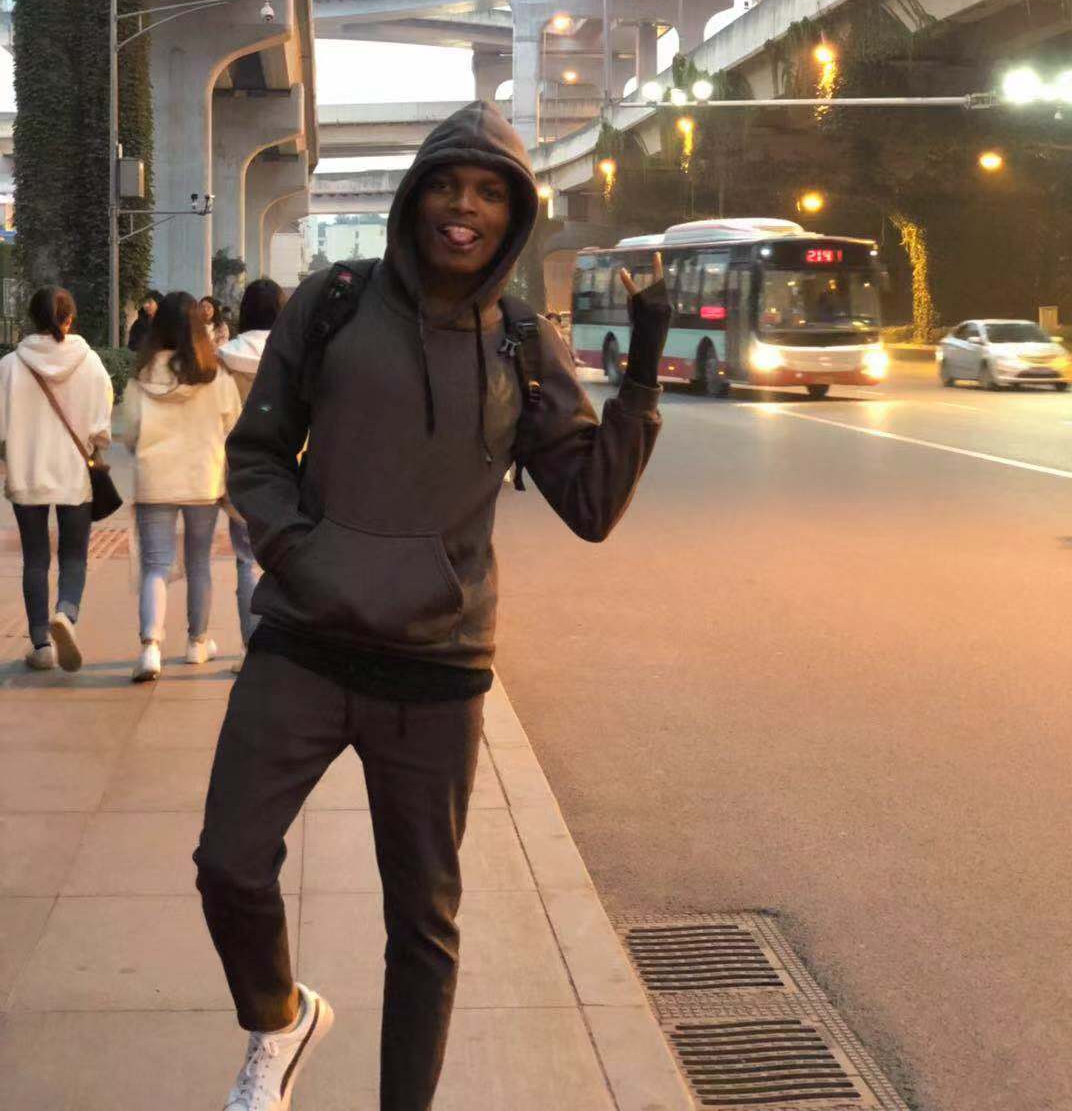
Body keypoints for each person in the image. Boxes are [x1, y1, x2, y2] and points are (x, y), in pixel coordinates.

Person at [194, 101, 671, 1111]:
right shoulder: (334, 302)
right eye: (448, 185)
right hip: (305, 644)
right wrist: (300, 555)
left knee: (422, 922)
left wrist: (640, 374)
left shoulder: (523, 342)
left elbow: (590, 505)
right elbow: (258, 454)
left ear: (514, 215)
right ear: (414, 197)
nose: (466, 207)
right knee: (229, 863)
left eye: (491, 193)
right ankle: (279, 1020)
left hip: (436, 667)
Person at [124, 290, 242, 683]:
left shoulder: (141, 378)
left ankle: (150, 648)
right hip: (202, 480)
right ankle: (197, 642)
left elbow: (131, 434)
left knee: (155, 565)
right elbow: (232, 426)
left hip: (155, 480)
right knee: (199, 563)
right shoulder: (216, 376)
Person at [0, 286, 113, 671]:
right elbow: (101, 429)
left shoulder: (10, 366)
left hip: (26, 473)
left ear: (32, 318)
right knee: (73, 556)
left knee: (35, 559)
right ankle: (66, 612)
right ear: (70, 319)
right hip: (73, 474)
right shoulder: (90, 362)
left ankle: (41, 645)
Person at [216, 278, 286, 672]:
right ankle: (286, 647)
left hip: (240, 468)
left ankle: (253, 647)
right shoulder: (290, 352)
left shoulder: (223, 358)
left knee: (247, 560)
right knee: (288, 558)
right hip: (289, 467)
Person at [126, 289, 161, 353]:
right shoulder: (138, 324)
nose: (146, 305)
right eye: (144, 302)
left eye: (150, 302)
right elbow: (132, 345)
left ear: (158, 303)